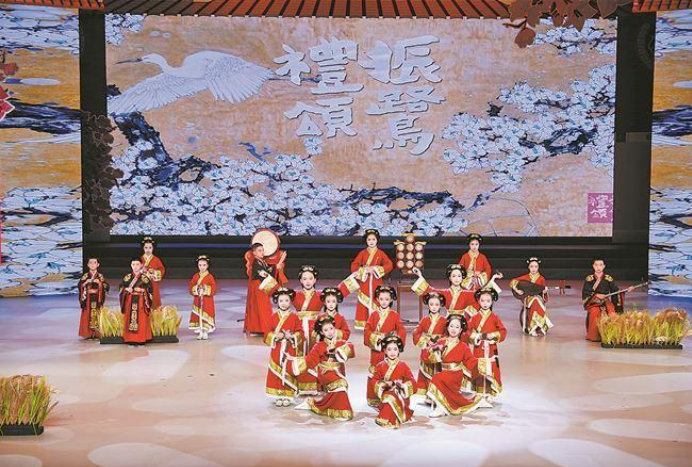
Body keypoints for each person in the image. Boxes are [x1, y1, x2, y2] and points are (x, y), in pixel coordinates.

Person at [424, 314, 491, 418]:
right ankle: (441, 406)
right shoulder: (442, 342)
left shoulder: (463, 346)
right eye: (451, 326)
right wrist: (434, 349)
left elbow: (471, 361)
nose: (453, 329)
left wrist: (485, 362)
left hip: (455, 374)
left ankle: (440, 408)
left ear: (460, 330)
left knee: (436, 378)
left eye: (457, 327)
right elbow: (428, 356)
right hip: (444, 372)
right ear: (447, 327)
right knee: (439, 378)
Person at [291, 315, 355, 421]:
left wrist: (337, 350)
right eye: (326, 330)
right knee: (341, 384)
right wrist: (296, 364)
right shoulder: (319, 346)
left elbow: (350, 346)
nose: (330, 332)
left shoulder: (339, 343)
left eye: (331, 328)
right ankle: (341, 411)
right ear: (321, 332)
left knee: (339, 389)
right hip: (325, 373)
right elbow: (310, 359)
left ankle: (321, 405)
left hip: (337, 371)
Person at [364, 285, 406, 407]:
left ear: (391, 299)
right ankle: (374, 398)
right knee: (375, 370)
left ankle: (390, 396)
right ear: (377, 299)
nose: (384, 302)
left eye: (386, 299)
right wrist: (377, 338)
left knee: (390, 369)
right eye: (381, 299)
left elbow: (401, 329)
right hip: (377, 348)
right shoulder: (373, 315)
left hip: (389, 347)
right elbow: (367, 330)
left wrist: (396, 341)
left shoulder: (394, 315)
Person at [467, 288, 507, 406]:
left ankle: (489, 392)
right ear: (478, 301)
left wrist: (492, 335)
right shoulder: (474, 317)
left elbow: (503, 331)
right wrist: (476, 336)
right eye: (482, 300)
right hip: (479, 347)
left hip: (490, 347)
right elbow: (467, 331)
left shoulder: (495, 317)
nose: (485, 303)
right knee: (479, 369)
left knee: (491, 369)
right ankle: (479, 392)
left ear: (492, 302)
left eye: (488, 301)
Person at [264, 288, 302, 407]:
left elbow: (300, 332)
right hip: (277, 347)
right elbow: (266, 333)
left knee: (288, 369)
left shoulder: (295, 317)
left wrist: (292, 336)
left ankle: (287, 395)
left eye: (286, 300)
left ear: (290, 301)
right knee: (276, 370)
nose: (284, 303)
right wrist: (276, 336)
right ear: (277, 301)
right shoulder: (273, 317)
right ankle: (277, 395)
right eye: (281, 300)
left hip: (289, 348)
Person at [350, 229, 393, 330]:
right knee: (363, 302)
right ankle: (364, 324)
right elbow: (354, 265)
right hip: (365, 281)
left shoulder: (381, 253)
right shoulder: (362, 253)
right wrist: (364, 270)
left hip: (376, 281)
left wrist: (376, 269)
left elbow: (389, 264)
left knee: (376, 299)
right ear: (366, 241)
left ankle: (376, 323)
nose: (371, 241)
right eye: (369, 239)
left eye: (373, 239)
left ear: (377, 240)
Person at [372, 333, 417, 429]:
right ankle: (389, 418)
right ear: (384, 350)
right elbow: (375, 380)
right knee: (389, 396)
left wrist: (403, 385)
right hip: (387, 392)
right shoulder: (380, 365)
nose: (392, 352)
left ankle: (390, 418)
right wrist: (384, 384)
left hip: (401, 394)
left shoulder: (403, 365)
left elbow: (412, 381)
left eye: (395, 349)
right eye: (389, 349)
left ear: (399, 350)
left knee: (391, 397)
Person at [582, 258, 632, 342]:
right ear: (593, 266)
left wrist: (626, 290)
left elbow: (615, 291)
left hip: (605, 301)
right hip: (594, 301)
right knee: (595, 312)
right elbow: (586, 292)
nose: (598, 267)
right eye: (596, 265)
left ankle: (611, 335)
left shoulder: (608, 278)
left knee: (612, 312)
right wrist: (596, 295)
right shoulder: (589, 279)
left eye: (600, 265)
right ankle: (594, 336)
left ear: (604, 266)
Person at [244, 242, 284, 335]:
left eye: (262, 250)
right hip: (258, 287)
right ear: (254, 252)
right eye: (259, 250)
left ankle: (261, 328)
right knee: (262, 308)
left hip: (261, 286)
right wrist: (276, 267)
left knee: (264, 308)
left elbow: (268, 269)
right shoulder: (256, 263)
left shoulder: (262, 261)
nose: (262, 252)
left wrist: (276, 267)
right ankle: (261, 328)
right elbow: (264, 273)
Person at [412, 292, 447, 398]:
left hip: (439, 348)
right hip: (428, 347)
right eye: (431, 304)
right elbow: (416, 332)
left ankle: (437, 392)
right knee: (427, 368)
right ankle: (427, 391)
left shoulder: (444, 320)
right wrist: (426, 340)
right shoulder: (425, 320)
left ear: (441, 305)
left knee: (438, 370)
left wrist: (440, 343)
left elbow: (447, 334)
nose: (434, 307)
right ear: (428, 305)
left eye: (436, 304)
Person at [411, 264, 476, 315]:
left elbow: (479, 297)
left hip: (462, 320)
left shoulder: (468, 294)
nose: (456, 278)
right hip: (449, 321)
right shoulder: (445, 293)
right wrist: (420, 276)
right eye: (454, 276)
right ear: (449, 277)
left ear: (462, 278)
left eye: (459, 276)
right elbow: (429, 291)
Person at [119, 257, 154, 345]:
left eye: (137, 264)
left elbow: (150, 290)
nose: (135, 266)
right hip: (130, 301)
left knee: (141, 320)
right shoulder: (127, 278)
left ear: (141, 265)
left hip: (141, 301)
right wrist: (126, 289)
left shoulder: (145, 278)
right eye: (133, 264)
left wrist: (143, 290)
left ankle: (141, 339)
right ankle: (130, 339)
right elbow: (121, 288)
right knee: (130, 319)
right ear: (131, 265)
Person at [78, 257, 109, 339]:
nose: (92, 264)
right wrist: (85, 282)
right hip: (88, 299)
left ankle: (97, 333)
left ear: (98, 265)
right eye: (90, 263)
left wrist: (100, 284)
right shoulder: (85, 276)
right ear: (88, 265)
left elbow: (106, 286)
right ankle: (88, 333)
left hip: (97, 298)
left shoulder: (100, 276)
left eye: (94, 263)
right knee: (87, 314)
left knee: (97, 314)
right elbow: (80, 285)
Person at [189, 255, 217, 340]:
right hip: (198, 299)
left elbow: (213, 288)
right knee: (199, 316)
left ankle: (205, 332)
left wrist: (205, 288)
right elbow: (191, 286)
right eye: (200, 265)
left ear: (207, 265)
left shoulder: (210, 277)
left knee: (206, 314)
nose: (202, 267)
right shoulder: (196, 276)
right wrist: (196, 289)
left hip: (207, 300)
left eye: (204, 265)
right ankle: (201, 331)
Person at [141, 236, 165, 309]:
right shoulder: (140, 259)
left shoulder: (156, 259)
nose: (148, 250)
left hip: (153, 283)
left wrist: (154, 272)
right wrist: (142, 271)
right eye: (146, 248)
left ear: (153, 248)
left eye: (150, 248)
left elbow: (162, 270)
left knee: (154, 301)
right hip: (142, 283)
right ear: (143, 248)